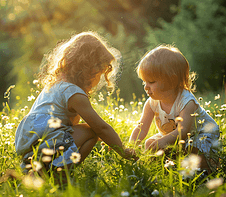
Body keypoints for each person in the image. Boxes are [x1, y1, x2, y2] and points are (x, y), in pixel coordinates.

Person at [15, 31, 134, 173]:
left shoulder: (56, 85)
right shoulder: (74, 93)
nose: (99, 81)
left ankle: (36, 169)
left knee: (88, 132)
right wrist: (122, 150)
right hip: (47, 140)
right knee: (92, 132)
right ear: (90, 70)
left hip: (29, 141)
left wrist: (107, 139)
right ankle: (59, 172)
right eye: (100, 74)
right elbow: (101, 127)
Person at [129, 44, 219, 173]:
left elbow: (182, 132)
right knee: (149, 144)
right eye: (144, 82)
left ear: (171, 80)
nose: (146, 87)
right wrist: (132, 145)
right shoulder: (151, 103)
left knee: (194, 148)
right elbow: (141, 127)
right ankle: (165, 169)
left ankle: (206, 172)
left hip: (200, 134)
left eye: (151, 82)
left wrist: (162, 142)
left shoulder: (187, 102)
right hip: (172, 135)